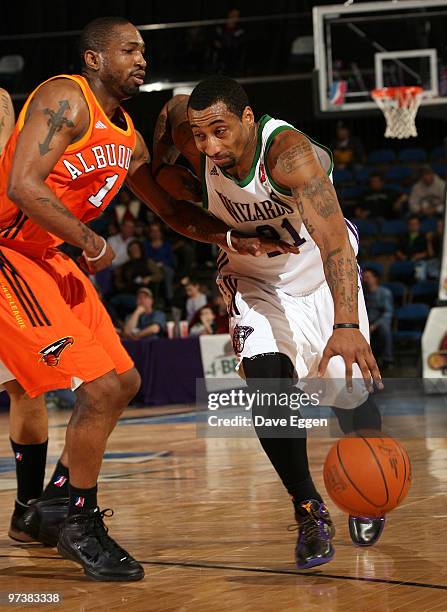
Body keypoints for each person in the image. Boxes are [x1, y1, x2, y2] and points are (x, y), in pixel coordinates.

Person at [0, 19, 295, 581]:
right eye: (129, 49)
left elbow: (171, 212)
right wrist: (89, 237)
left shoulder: (129, 139)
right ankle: (81, 524)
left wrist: (234, 235)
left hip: (49, 257)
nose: (141, 58)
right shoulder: (66, 98)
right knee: (100, 386)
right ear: (93, 58)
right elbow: (22, 186)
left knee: (125, 381)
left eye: (144, 50)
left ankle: (59, 499)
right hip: (7, 252)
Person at [153, 76, 384, 569]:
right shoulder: (188, 137)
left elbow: (335, 245)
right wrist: (228, 238)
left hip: (317, 274)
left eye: (220, 131)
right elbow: (171, 198)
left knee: (347, 389)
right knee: (267, 383)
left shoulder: (287, 155)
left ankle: (369, 484)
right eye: (200, 135)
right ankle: (307, 508)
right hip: (252, 278)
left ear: (248, 120)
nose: (210, 146)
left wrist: (346, 326)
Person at [362, 268, 394, 368]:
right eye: (364, 278)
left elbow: (388, 312)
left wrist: (375, 325)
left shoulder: (384, 293)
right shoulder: (363, 294)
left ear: (375, 279)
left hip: (380, 322)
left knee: (384, 328)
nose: (365, 280)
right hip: (367, 321)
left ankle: (387, 359)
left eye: (368, 277)